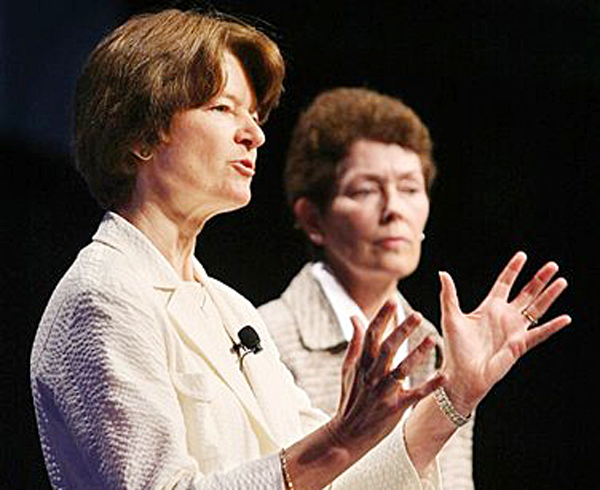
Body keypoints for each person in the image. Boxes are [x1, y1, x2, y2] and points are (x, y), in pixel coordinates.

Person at [30, 8, 571, 490]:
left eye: (255, 116)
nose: (254, 135)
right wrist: (338, 439)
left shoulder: (229, 308)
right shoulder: (102, 296)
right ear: (141, 135)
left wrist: (455, 395)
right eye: (223, 108)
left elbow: (334, 484)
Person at [258, 87, 470, 487]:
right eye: (366, 191)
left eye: (409, 188)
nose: (395, 211)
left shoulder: (435, 345)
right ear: (313, 219)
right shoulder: (269, 337)